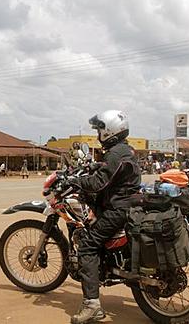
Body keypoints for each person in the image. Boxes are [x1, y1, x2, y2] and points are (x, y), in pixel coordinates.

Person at [68, 110, 141, 324]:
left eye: (100, 129)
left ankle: (92, 306)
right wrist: (95, 166)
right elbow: (111, 171)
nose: (98, 133)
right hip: (127, 203)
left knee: (88, 246)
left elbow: (99, 183)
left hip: (118, 208)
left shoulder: (116, 153)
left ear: (109, 131)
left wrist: (76, 182)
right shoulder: (123, 150)